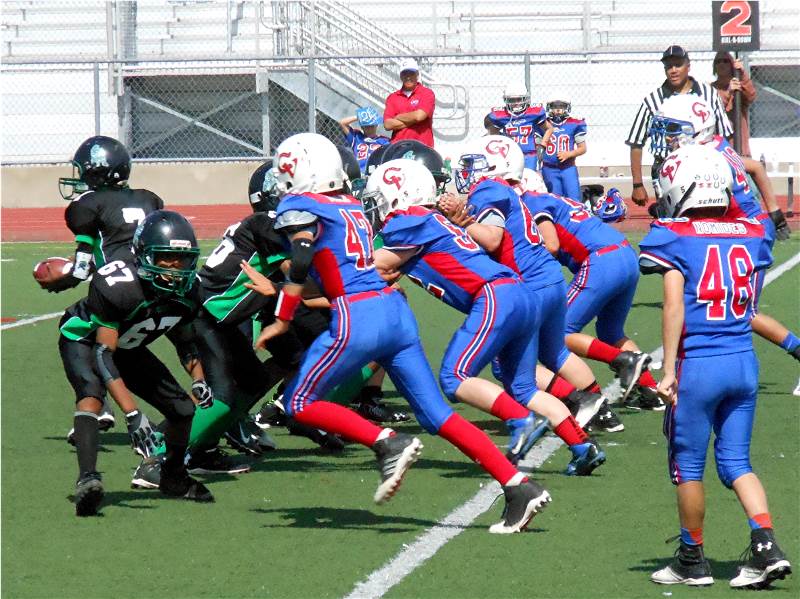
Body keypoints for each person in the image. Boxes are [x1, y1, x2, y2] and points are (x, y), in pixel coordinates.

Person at [253, 132, 550, 533]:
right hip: (394, 311)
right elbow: (340, 273)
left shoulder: (301, 204)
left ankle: (387, 442)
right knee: (436, 415)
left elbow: (304, 255)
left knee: (299, 401)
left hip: (359, 317)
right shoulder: (348, 206)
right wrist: (283, 291)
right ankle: (518, 487)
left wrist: (283, 314)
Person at [366, 158, 606, 475]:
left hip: (496, 295)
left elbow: (376, 265)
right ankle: (583, 446)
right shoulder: (432, 221)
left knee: (454, 377)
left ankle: (520, 419)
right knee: (523, 388)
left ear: (399, 194)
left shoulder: (411, 221)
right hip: (519, 293)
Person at [642, 144, 791, 589]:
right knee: (737, 462)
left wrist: (668, 370)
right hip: (743, 362)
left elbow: (674, 306)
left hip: (699, 366)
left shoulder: (672, 235)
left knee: (688, 467)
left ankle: (692, 559)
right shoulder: (750, 230)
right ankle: (766, 544)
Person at [441, 136, 608, 426]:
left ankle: (575, 402)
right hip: (550, 278)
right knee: (556, 352)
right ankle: (600, 409)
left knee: (507, 367)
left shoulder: (488, 190)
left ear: (493, 165)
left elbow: (492, 239)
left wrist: (463, 222)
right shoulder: (507, 191)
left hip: (530, 285)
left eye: (473, 164)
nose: (467, 171)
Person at [58, 210, 214, 516]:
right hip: (85, 339)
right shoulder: (118, 285)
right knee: (91, 396)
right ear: (144, 255)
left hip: (129, 345)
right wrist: (133, 414)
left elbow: (184, 340)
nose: (175, 268)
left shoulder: (189, 291)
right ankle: (88, 478)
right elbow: (103, 354)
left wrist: (198, 379)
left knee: (183, 409)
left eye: (182, 259)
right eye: (166, 259)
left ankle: (173, 477)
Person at [649, 95, 798, 372]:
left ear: (697, 129)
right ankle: (684, 356)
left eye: (673, 129)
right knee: (701, 299)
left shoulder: (706, 156)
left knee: (740, 311)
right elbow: (754, 167)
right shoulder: (715, 144)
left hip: (744, 232)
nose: (667, 137)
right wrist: (774, 211)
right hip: (741, 228)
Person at [521, 169, 664, 413]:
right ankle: (650, 390)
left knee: (557, 332)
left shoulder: (533, 202)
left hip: (601, 261)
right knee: (610, 331)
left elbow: (552, 245)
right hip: (624, 254)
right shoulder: (556, 200)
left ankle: (616, 372)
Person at [51, 135, 164, 432]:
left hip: (115, 291)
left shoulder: (88, 204)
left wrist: (61, 280)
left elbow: (82, 266)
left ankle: (96, 404)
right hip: (153, 287)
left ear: (97, 170)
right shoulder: (149, 199)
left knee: (75, 330)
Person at [626, 45, 732, 211]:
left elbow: (725, 135)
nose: (673, 70)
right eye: (668, 66)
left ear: (688, 66)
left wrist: (730, 170)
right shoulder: (652, 101)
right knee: (672, 218)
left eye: (678, 65)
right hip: (668, 170)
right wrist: (637, 184)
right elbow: (636, 142)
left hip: (705, 167)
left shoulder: (709, 94)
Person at [484, 83, 553, 171]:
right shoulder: (501, 115)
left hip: (529, 154)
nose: (516, 103)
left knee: (529, 177)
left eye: (519, 99)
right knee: (510, 178)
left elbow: (549, 128)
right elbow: (494, 135)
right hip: (510, 155)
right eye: (512, 100)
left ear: (525, 99)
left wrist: (542, 146)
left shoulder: (533, 113)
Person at [711, 51, 757, 158]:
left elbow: (751, 96)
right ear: (714, 67)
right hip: (719, 149)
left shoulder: (740, 87)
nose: (721, 64)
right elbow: (713, 109)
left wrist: (742, 74)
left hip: (740, 147)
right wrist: (728, 92)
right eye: (718, 61)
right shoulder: (710, 89)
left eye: (726, 61)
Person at [383, 58, 435, 148]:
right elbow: (387, 124)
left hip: (422, 148)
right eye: (405, 73)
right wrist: (414, 120)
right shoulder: (392, 97)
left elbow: (419, 116)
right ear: (401, 76)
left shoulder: (427, 93)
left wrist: (398, 117)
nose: (408, 77)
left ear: (417, 75)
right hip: (398, 147)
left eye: (411, 73)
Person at [540, 100, 586, 201]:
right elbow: (537, 147)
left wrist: (569, 154)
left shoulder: (574, 123)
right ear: (549, 107)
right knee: (555, 200)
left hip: (568, 167)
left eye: (561, 106)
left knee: (574, 199)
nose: (558, 109)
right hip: (549, 168)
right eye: (554, 106)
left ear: (567, 107)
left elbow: (583, 148)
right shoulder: (543, 124)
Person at [338, 107, 390, 174]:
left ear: (376, 125)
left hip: (376, 172)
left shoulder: (384, 140)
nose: (369, 128)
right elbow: (342, 123)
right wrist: (360, 117)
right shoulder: (356, 137)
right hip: (359, 172)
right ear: (362, 127)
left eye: (372, 126)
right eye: (366, 126)